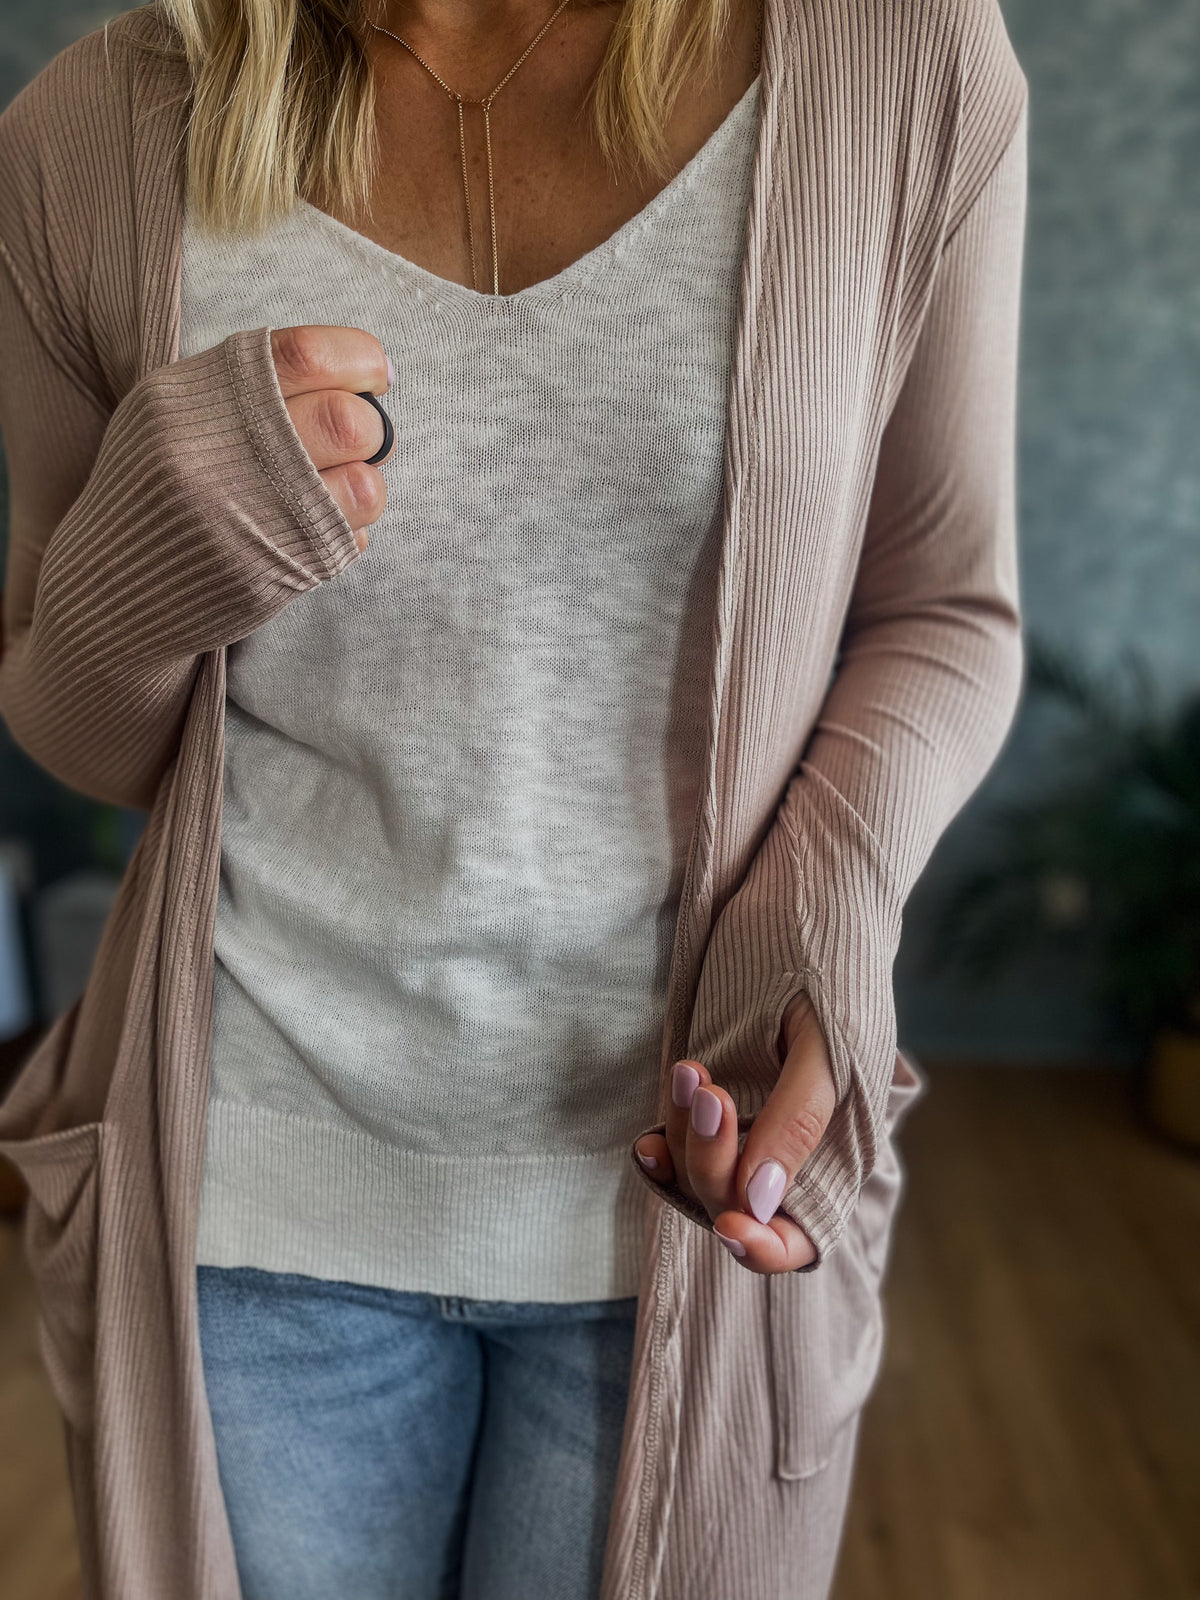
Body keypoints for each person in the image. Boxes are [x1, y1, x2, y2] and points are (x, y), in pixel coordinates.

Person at [0, 0, 1028, 1595]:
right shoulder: (91, 133)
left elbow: (942, 615)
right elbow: (78, 729)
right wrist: (145, 562)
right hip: (260, 1202)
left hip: (680, 1199)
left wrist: (821, 911)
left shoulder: (902, 59)